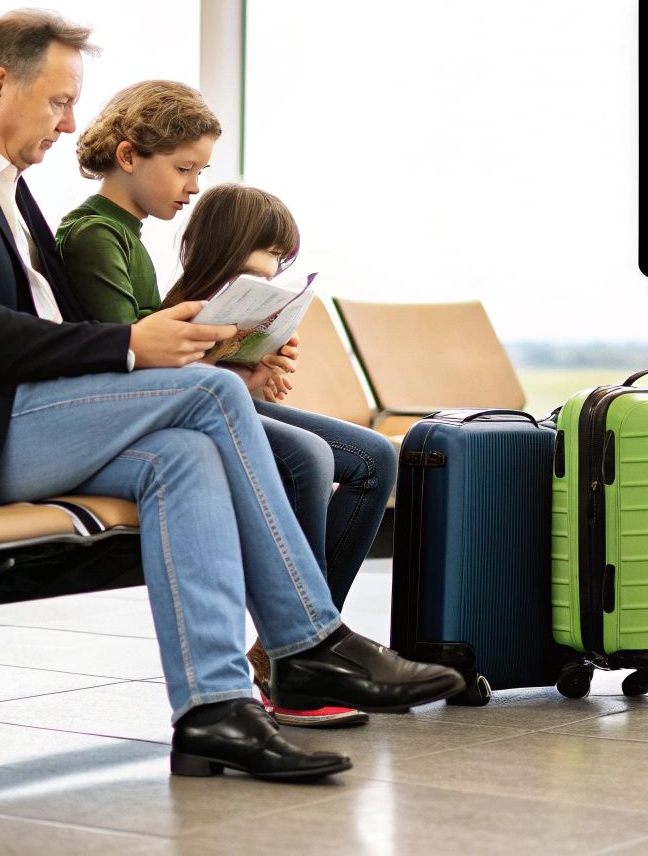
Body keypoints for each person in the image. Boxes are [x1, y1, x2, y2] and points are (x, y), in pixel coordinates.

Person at [0, 9, 461, 783]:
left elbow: (46, 323)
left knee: (183, 455)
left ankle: (215, 712)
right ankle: (309, 643)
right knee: (209, 398)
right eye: (60, 102)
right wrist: (135, 344)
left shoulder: (4, 188)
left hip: (17, 421)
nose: (71, 125)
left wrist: (158, 338)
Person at [58, 81, 399, 728]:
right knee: (310, 457)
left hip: (178, 398)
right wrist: (231, 363)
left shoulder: (125, 237)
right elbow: (129, 360)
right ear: (129, 157)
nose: (192, 187)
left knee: (373, 456)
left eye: (200, 171)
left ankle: (291, 648)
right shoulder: (93, 238)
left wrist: (242, 355)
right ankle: (293, 656)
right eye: (183, 168)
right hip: (140, 418)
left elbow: (152, 345)